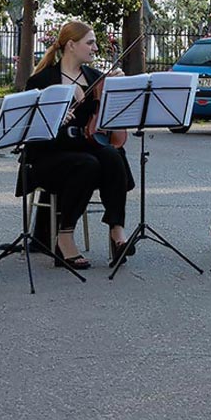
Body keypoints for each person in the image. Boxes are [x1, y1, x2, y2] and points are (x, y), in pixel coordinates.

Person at [23, 21, 135, 270]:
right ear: (71, 45)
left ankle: (117, 233)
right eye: (90, 43)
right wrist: (56, 114)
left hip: (86, 152)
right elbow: (32, 132)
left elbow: (109, 126)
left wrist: (118, 91)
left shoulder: (96, 79)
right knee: (88, 163)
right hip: (49, 157)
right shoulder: (42, 81)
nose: (96, 48)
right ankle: (64, 237)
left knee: (112, 154)